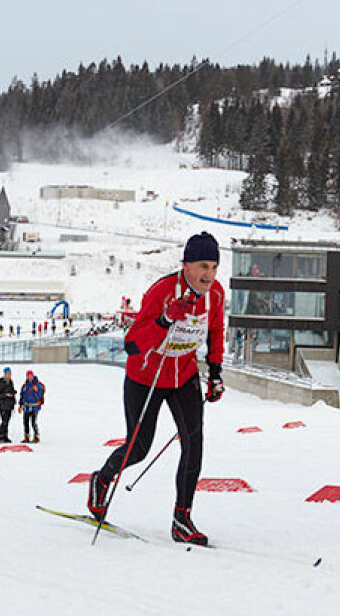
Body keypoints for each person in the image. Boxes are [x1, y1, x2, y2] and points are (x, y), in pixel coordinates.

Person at [88, 231, 226, 546]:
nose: (209, 274)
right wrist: (165, 320)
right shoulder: (162, 292)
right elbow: (132, 344)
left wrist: (215, 372)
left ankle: (182, 518)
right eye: (203, 266)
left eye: (214, 267)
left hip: (184, 375)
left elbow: (216, 330)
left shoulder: (215, 294)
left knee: (194, 443)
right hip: (146, 376)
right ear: (186, 265)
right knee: (139, 447)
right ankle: (103, 478)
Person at [19, 370, 45, 443]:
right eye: (28, 376)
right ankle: (26, 437)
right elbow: (22, 395)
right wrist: (20, 405)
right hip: (26, 407)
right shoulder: (25, 386)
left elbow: (39, 396)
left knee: (33, 422)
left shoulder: (37, 386)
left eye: (31, 375)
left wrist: (36, 391)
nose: (29, 377)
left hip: (35, 407)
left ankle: (36, 436)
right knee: (25, 422)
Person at [0, 367, 17, 444]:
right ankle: (0, 436)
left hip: (9, 405)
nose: (9, 375)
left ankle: (5, 436)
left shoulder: (10, 382)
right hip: (3, 405)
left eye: (10, 374)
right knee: (4, 421)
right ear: (4, 374)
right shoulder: (1, 382)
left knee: (7, 422)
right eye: (8, 373)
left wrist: (13, 394)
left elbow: (11, 391)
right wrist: (5, 395)